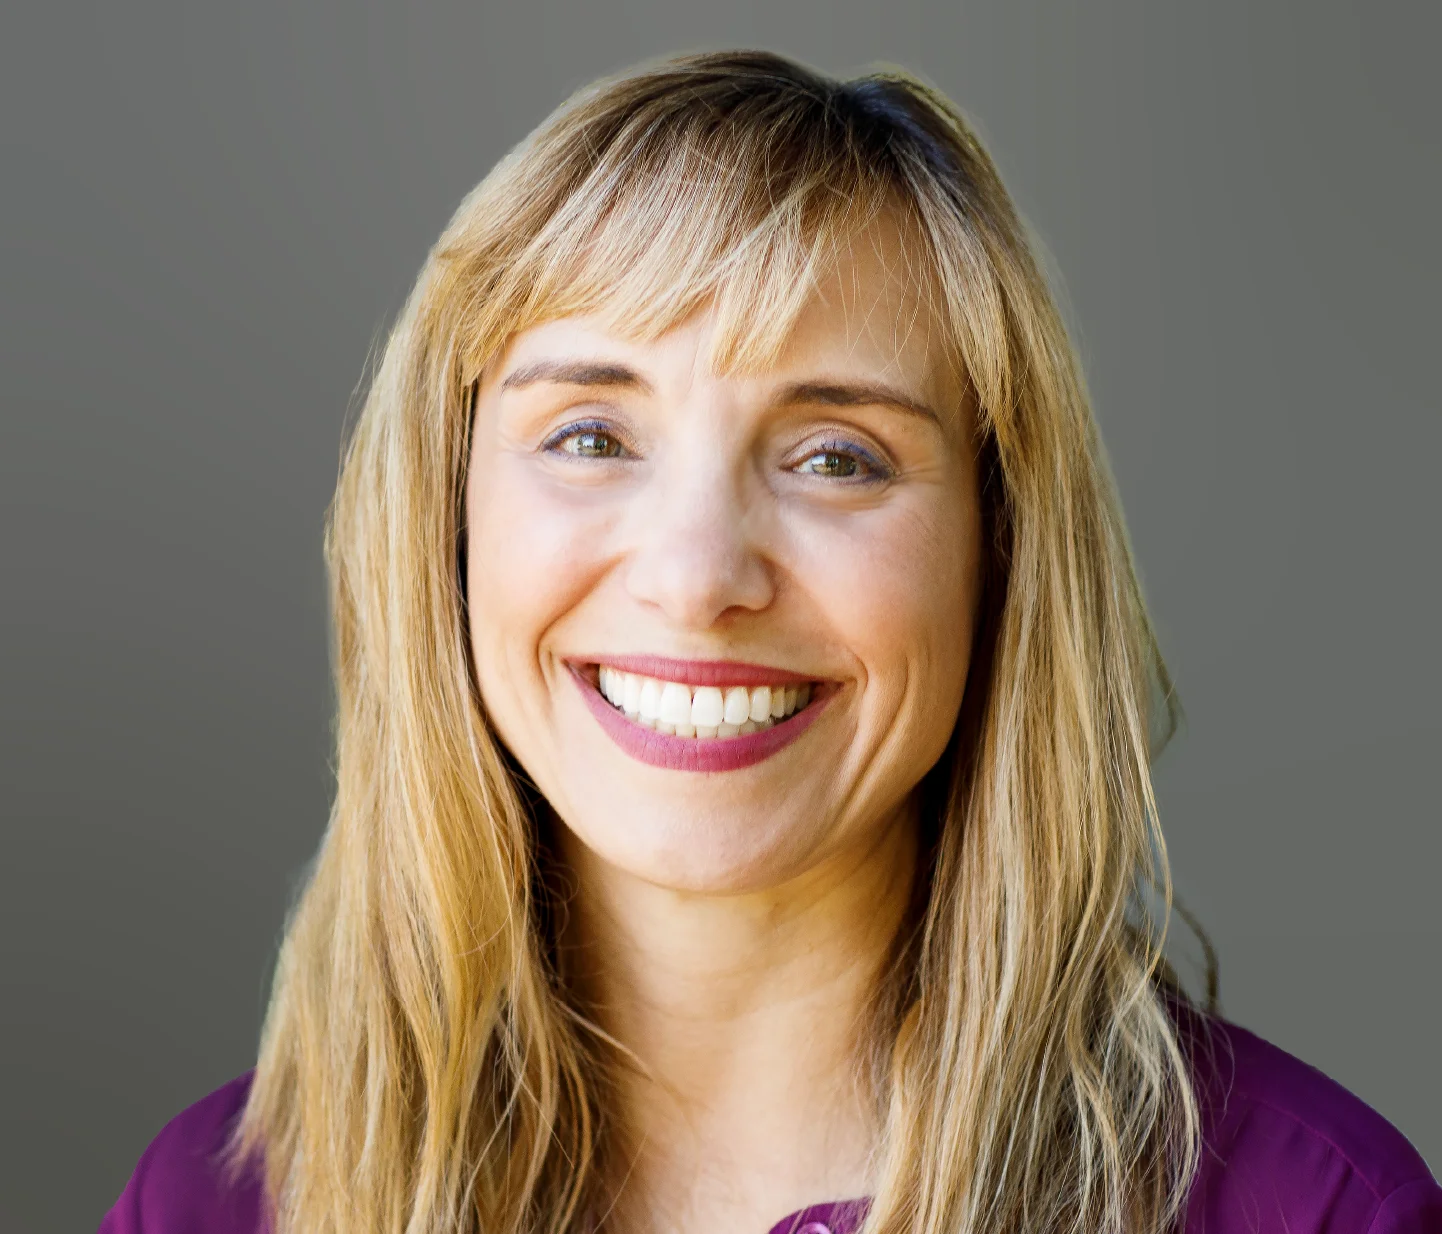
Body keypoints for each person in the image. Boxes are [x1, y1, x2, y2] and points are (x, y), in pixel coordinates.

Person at [99, 49, 1440, 1234]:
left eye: (834, 456)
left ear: (999, 551)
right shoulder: (220, 1203)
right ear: (443, 523)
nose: (694, 576)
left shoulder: (1315, 1210)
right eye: (589, 435)